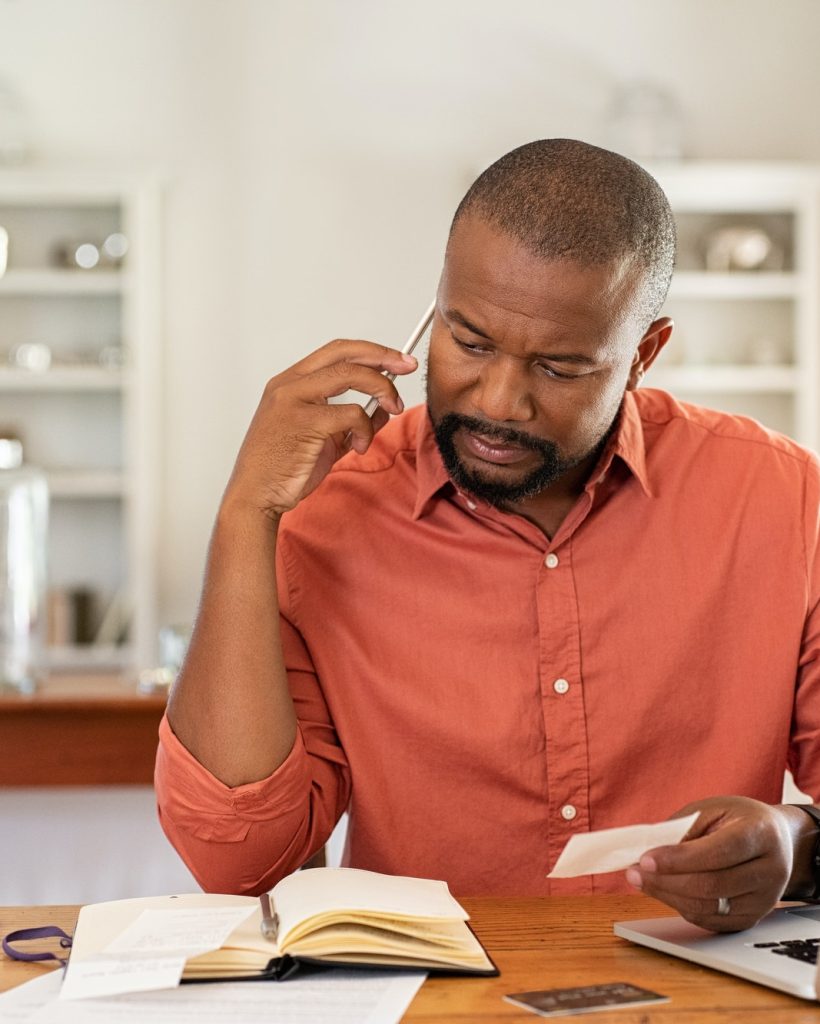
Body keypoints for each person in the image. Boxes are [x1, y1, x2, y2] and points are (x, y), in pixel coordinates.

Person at [156, 139, 820, 933]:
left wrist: (795, 842)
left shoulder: (784, 502)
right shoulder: (327, 514)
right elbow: (237, 864)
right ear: (432, 310)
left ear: (643, 354)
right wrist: (244, 515)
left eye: (562, 368)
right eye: (469, 341)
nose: (500, 402)